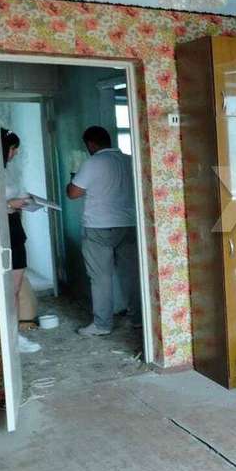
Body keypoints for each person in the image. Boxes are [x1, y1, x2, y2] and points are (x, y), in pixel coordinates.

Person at [66, 126, 141, 337]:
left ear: (91, 144)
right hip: (129, 224)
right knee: (131, 275)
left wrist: (73, 176)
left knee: (100, 277)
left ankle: (102, 324)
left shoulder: (92, 163)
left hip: (98, 227)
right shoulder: (129, 160)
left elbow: (73, 193)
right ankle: (138, 318)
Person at [1, 128, 41, 353]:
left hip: (15, 228)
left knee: (15, 288)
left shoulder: (9, 170)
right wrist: (10, 204)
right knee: (4, 289)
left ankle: (15, 337)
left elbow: (15, 194)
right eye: (12, 148)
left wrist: (26, 200)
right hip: (0, 229)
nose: (15, 153)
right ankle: (6, 338)